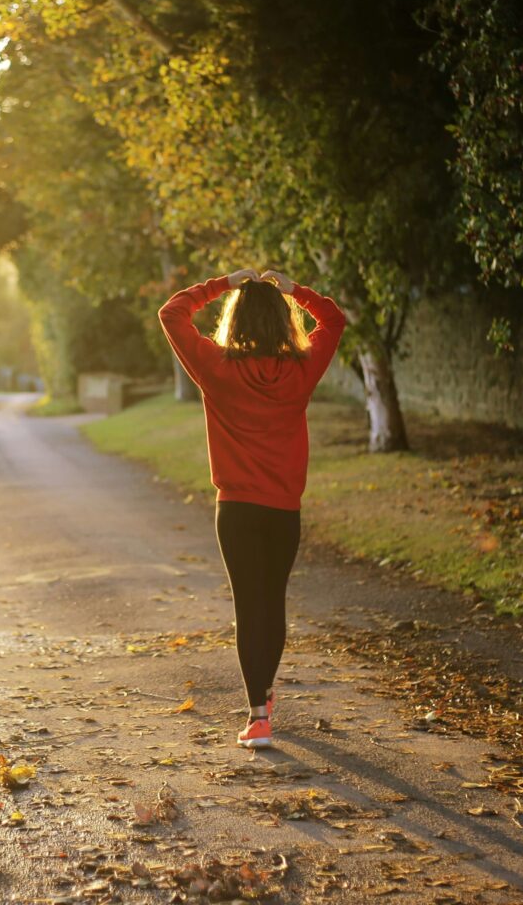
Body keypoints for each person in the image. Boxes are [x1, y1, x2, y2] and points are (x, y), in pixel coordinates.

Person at [157, 267, 346, 749]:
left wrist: (222, 283)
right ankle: (263, 697)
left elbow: (172, 313)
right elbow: (334, 319)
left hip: (237, 510)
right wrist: (295, 290)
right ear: (283, 321)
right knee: (272, 601)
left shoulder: (216, 367)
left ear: (235, 320)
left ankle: (258, 715)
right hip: (283, 510)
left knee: (248, 605)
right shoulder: (301, 369)